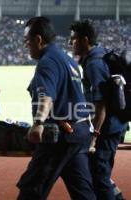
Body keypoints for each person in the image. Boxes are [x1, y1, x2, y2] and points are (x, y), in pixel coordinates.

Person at [16, 16, 96, 200]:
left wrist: (38, 123)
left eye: (27, 41)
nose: (26, 45)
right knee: (83, 191)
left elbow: (46, 96)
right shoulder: (66, 59)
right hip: (80, 131)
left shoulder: (48, 62)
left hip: (61, 134)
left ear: (38, 39)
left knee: (32, 188)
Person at [70, 20, 128, 200]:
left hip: (108, 128)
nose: (70, 43)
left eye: (73, 39)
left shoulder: (94, 64)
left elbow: (100, 104)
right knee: (99, 172)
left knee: (99, 176)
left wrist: (93, 137)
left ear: (85, 40)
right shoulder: (101, 55)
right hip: (115, 124)